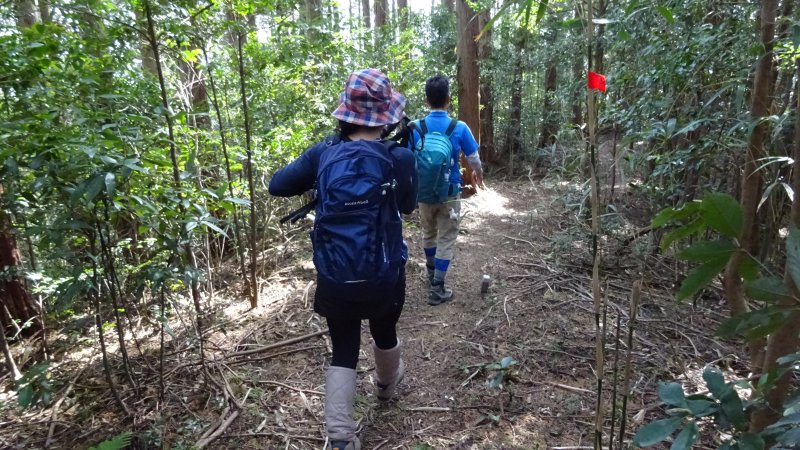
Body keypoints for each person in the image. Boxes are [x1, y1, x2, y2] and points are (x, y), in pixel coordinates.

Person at [268, 69, 417, 450]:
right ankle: (386, 387)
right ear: (386, 116)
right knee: (384, 331)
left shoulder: (324, 153)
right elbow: (408, 206)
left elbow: (277, 185)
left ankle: (340, 437)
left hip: (336, 276)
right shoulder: (399, 157)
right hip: (385, 274)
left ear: (346, 113)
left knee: (344, 348)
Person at [410, 75, 485, 305]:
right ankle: (438, 287)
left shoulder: (415, 127)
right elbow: (473, 158)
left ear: (426, 100)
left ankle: (432, 275)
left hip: (423, 193)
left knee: (429, 234)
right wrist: (478, 174)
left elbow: (406, 159)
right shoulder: (459, 127)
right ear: (449, 99)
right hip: (449, 193)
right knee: (446, 238)